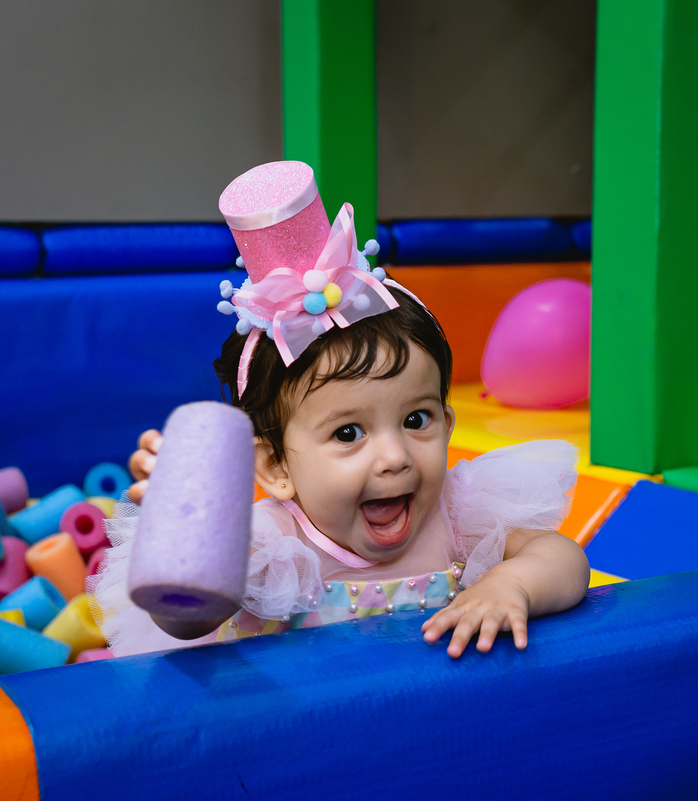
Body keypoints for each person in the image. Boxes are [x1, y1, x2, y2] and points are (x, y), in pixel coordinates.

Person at [91, 161, 588, 659]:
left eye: (416, 420)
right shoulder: (270, 546)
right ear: (275, 466)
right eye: (349, 433)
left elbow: (565, 558)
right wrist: (184, 531)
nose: (395, 457)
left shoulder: (457, 516)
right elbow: (181, 622)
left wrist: (512, 585)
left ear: (448, 424)